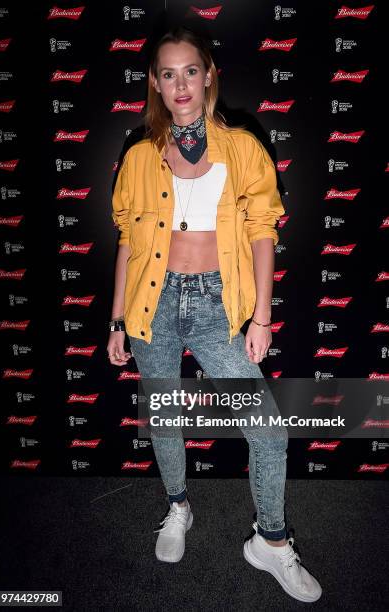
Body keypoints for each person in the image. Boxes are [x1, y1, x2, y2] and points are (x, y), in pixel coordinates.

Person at [107, 26, 322, 603]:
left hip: (215, 302)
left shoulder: (243, 148)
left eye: (190, 71)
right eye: (168, 73)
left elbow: (262, 230)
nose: (180, 84)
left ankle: (270, 543)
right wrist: (115, 320)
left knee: (268, 429)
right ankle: (178, 507)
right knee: (167, 415)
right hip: (151, 301)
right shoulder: (140, 155)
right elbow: (128, 238)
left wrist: (262, 317)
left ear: (209, 75)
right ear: (155, 83)